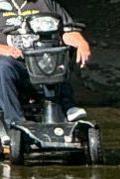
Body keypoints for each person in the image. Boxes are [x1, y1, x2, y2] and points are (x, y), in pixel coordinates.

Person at [0, 0, 90, 135]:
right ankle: (15, 124)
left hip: (45, 60)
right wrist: (3, 49)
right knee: (3, 67)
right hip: (15, 63)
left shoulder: (47, 3)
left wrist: (82, 44)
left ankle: (67, 108)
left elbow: (67, 30)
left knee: (60, 56)